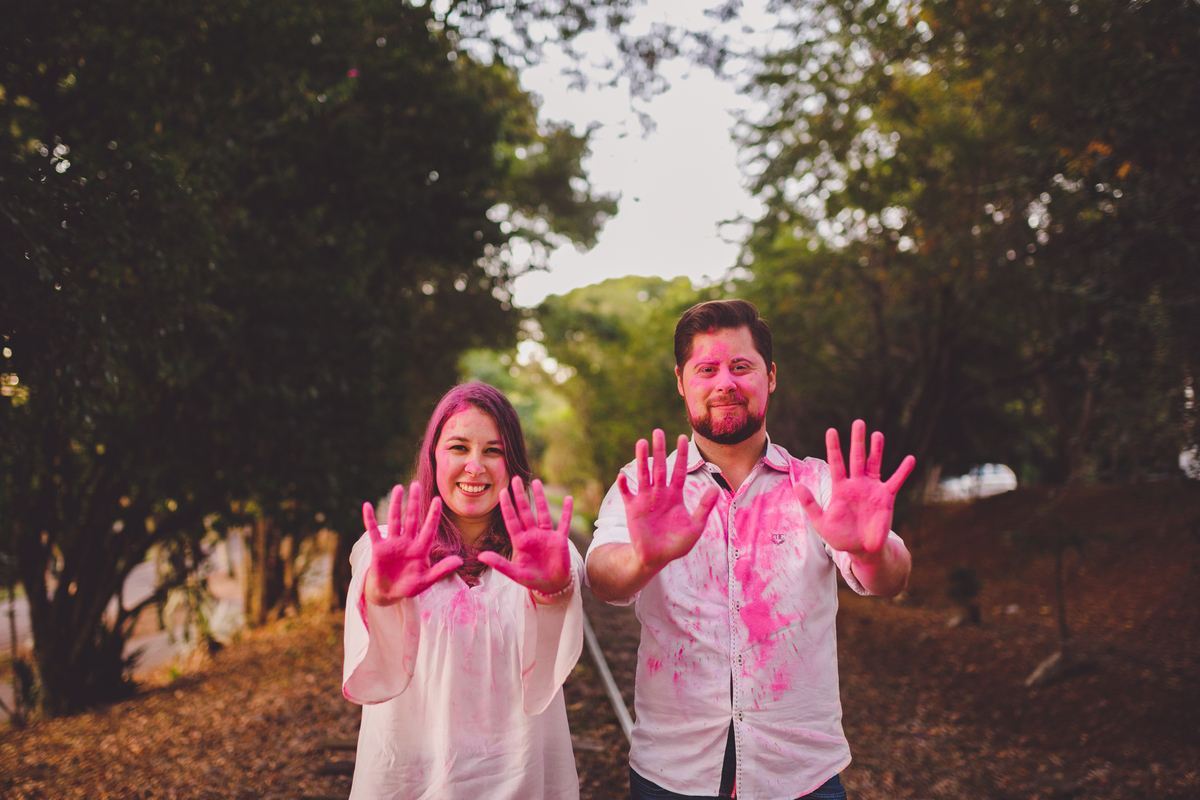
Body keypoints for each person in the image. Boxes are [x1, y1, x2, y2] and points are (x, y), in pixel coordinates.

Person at [585, 300, 915, 800]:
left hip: (800, 774)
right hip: (673, 773)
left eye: (741, 366)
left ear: (771, 376)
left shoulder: (819, 485)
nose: (725, 383)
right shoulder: (645, 486)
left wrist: (870, 553)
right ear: (681, 381)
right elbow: (601, 577)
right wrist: (642, 559)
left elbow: (890, 576)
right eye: (707, 369)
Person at [342, 382, 584, 800]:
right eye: (458, 447)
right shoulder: (386, 549)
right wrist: (380, 598)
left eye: (493, 451)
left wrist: (552, 592)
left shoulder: (544, 554)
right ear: (433, 455)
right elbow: (372, 603)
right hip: (411, 781)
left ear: (514, 464)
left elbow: (562, 595)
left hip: (522, 776)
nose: (475, 467)